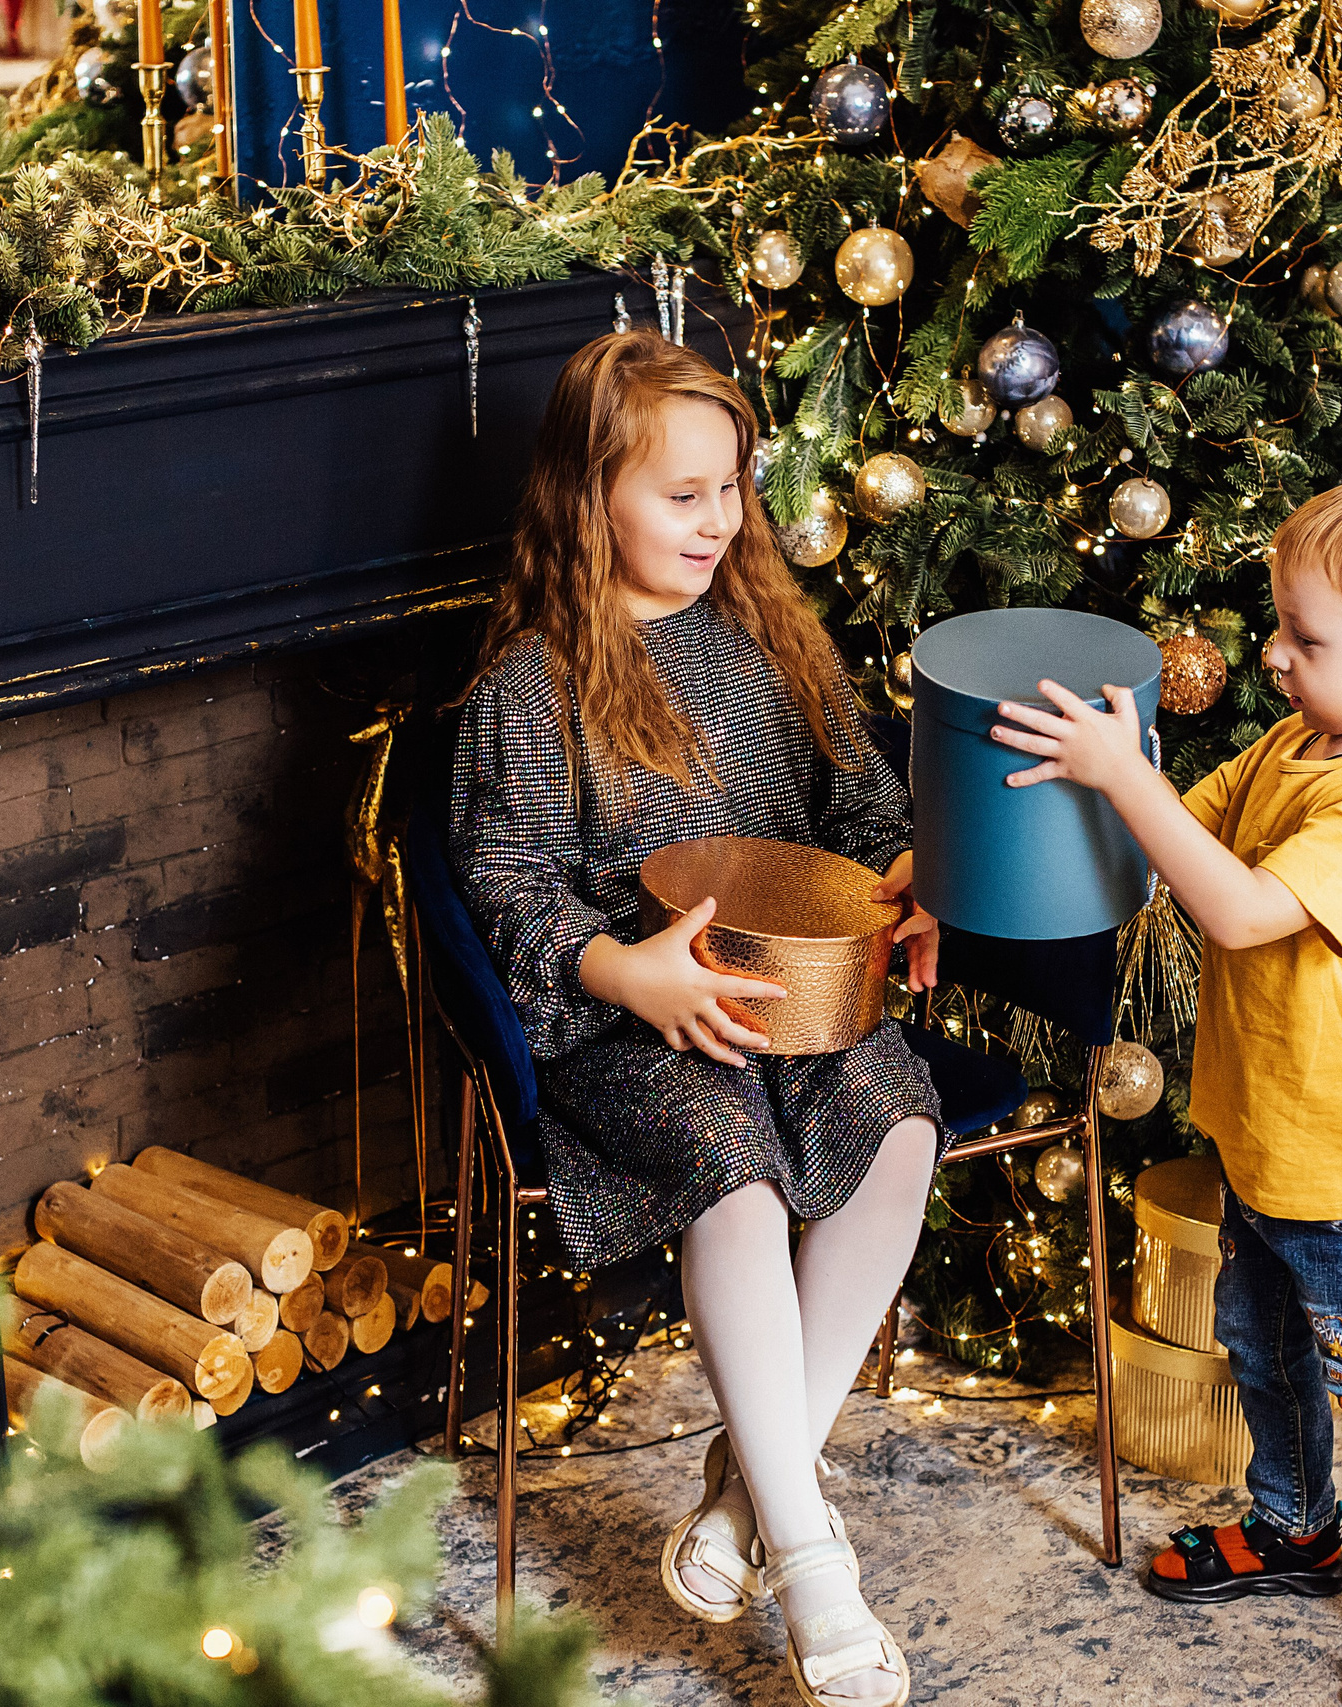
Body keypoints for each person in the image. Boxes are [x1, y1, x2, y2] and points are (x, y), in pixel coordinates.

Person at [448, 330, 938, 1707]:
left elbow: (865, 808)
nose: (719, 521)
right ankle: (808, 1552)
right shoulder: (528, 690)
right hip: (636, 1022)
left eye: (732, 488)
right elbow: (504, 885)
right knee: (733, 1183)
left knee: (897, 1130)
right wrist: (623, 973)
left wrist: (907, 886)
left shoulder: (772, 641)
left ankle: (735, 1497)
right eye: (682, 494)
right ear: (588, 494)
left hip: (803, 996)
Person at [988, 464, 1342, 1707]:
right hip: (1265, 1140)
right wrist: (1078, 788)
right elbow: (1180, 835)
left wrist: (1124, 777)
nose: (1273, 655)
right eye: (1279, 628)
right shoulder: (1302, 740)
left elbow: (1231, 907)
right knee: (1262, 1353)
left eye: (1304, 636)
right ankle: (1296, 1529)